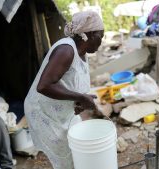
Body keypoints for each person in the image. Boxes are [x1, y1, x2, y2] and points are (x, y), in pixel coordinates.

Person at [24, 11, 104, 169]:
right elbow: (44, 85)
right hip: (44, 113)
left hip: (62, 112)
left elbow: (67, 83)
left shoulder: (81, 52)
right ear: (90, 34)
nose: (102, 41)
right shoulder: (66, 50)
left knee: (76, 149)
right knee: (65, 159)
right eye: (101, 36)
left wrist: (78, 99)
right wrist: (80, 97)